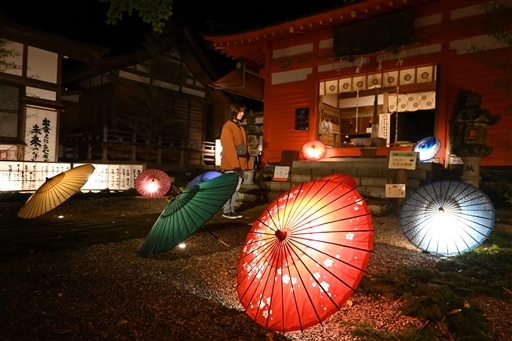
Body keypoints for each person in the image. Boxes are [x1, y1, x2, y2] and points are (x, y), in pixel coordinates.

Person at [220, 102, 253, 219]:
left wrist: (248, 163)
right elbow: (228, 147)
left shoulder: (240, 127)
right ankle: (227, 210)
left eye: (243, 111)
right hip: (231, 164)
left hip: (239, 163)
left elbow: (246, 147)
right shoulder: (228, 126)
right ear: (234, 111)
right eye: (240, 111)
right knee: (230, 187)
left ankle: (231, 209)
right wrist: (235, 164)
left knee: (236, 188)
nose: (242, 113)